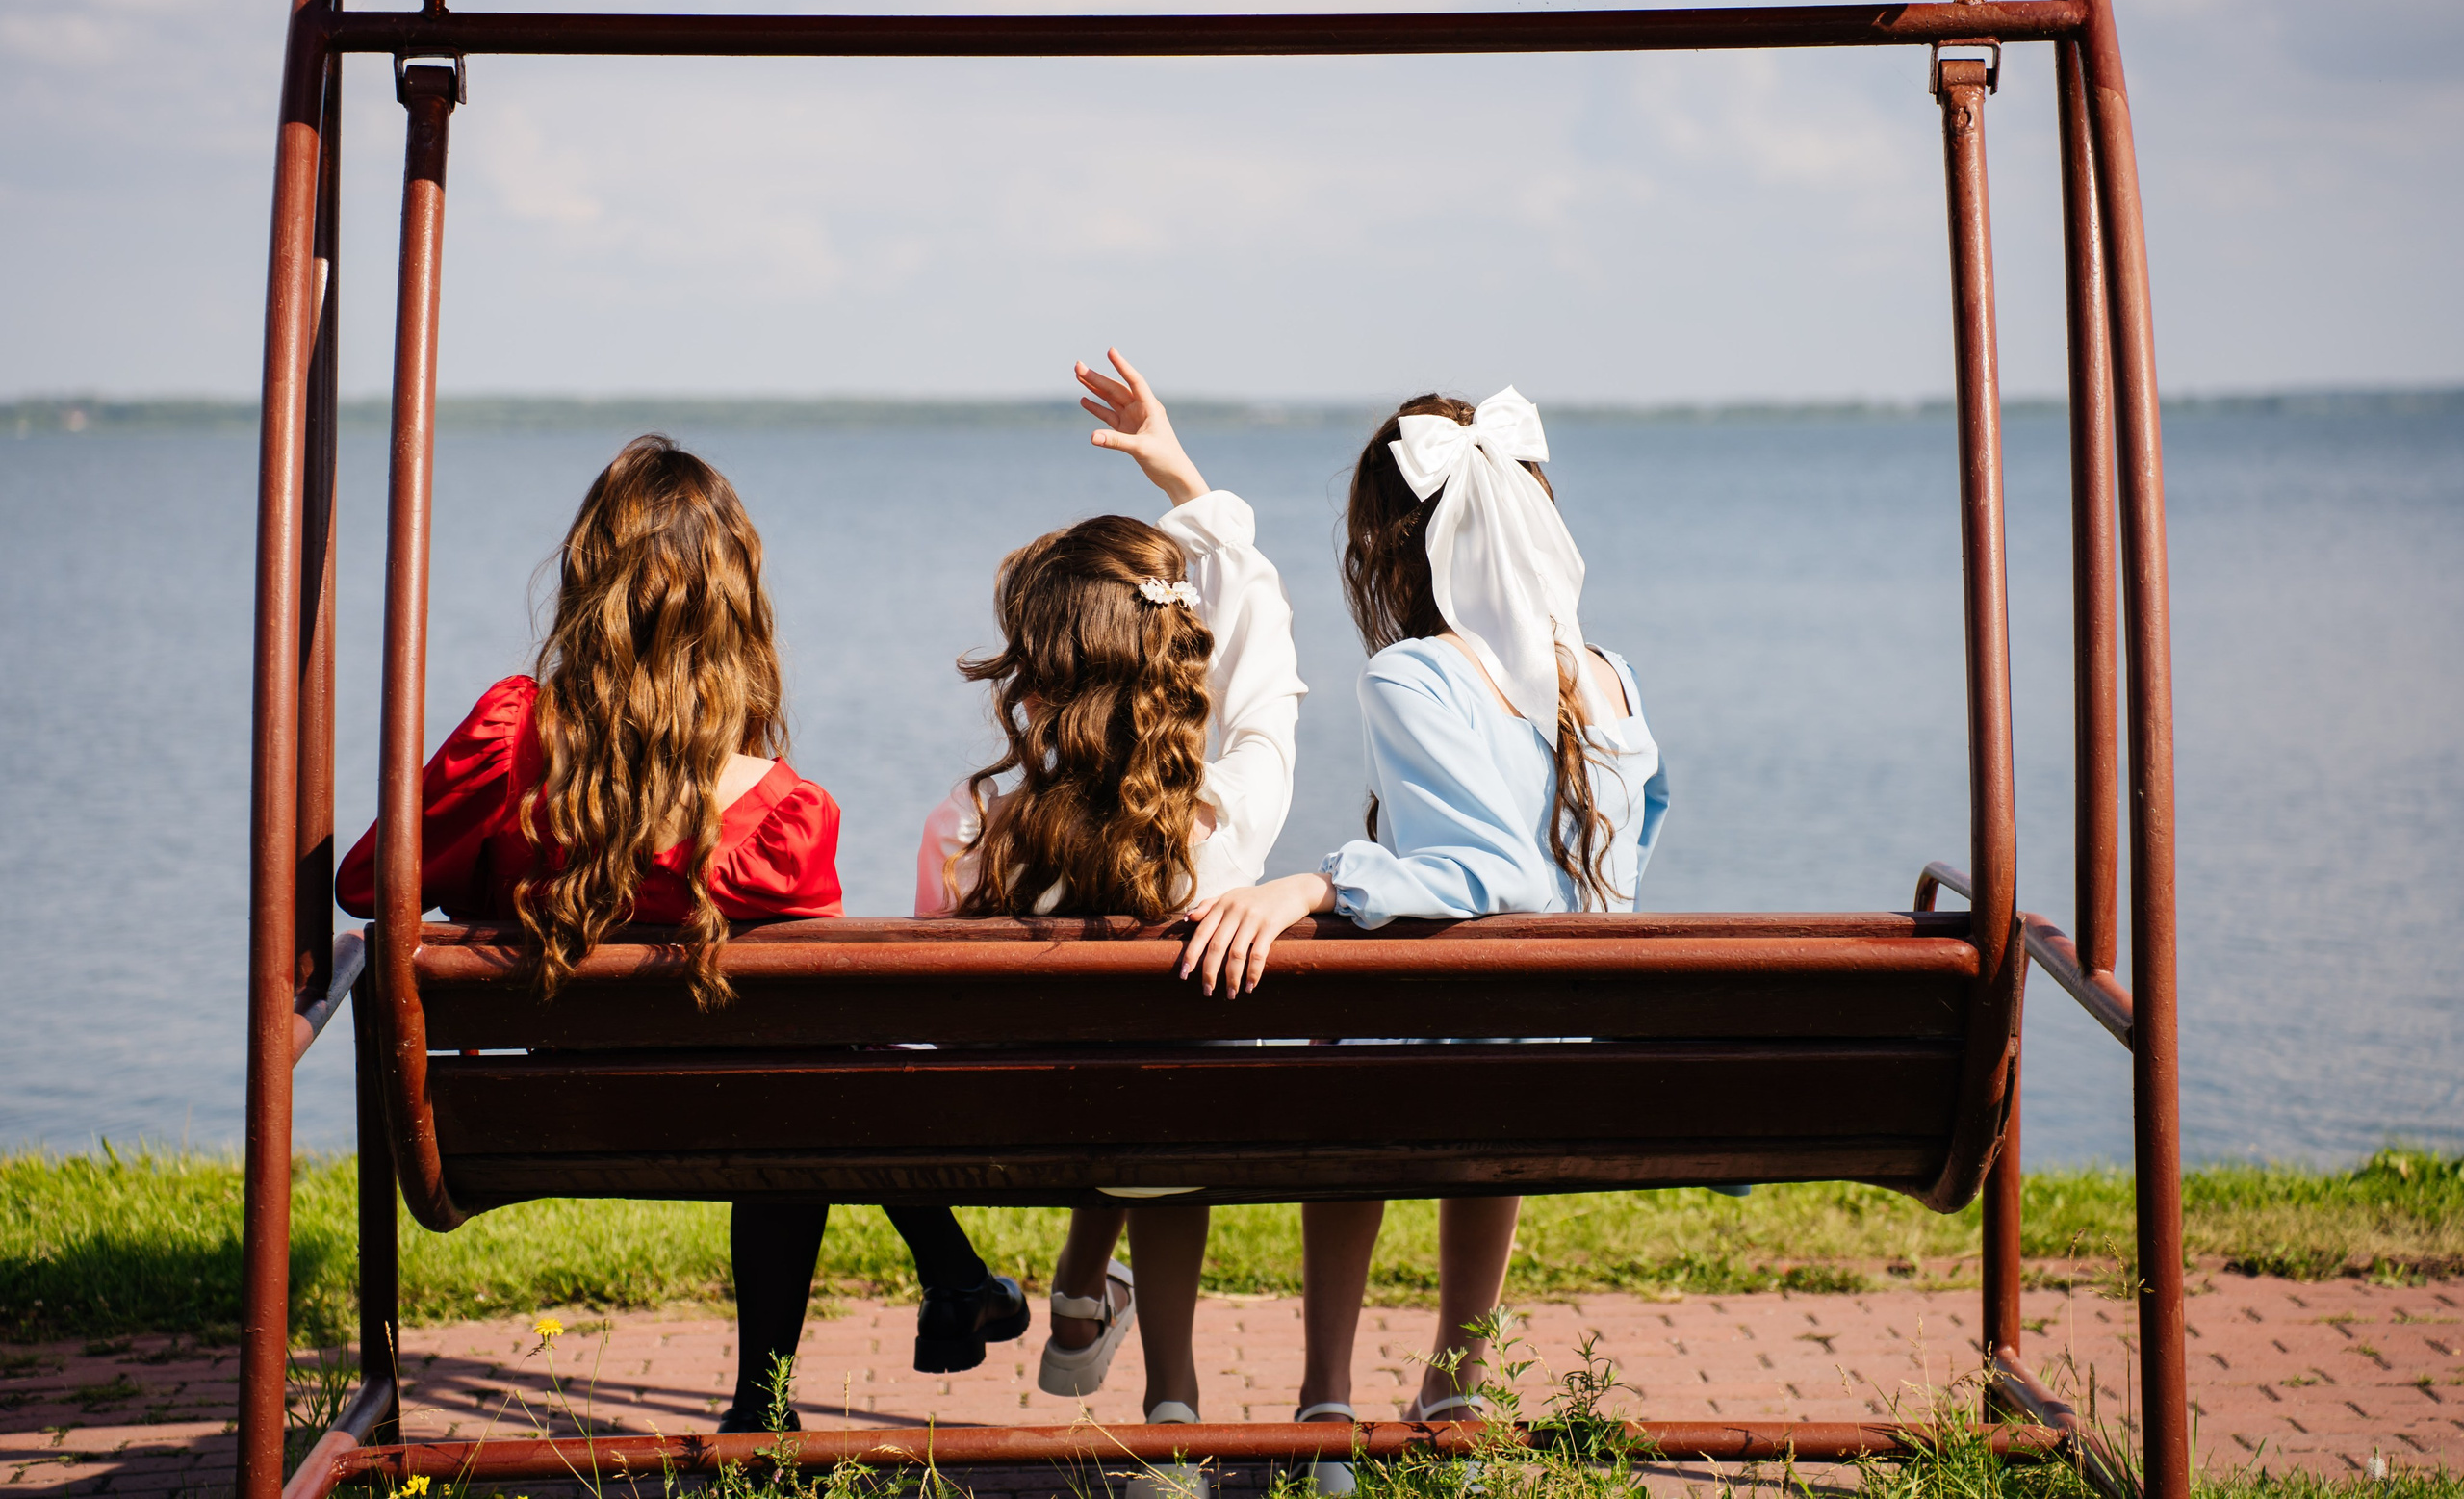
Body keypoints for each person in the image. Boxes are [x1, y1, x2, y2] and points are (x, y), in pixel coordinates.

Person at [334, 434, 1026, 1434]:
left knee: (802, 1067)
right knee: (806, 1068)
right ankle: (776, 1390)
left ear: (588, 586)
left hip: (537, 1120)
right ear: (736, 612)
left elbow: (368, 882)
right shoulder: (788, 817)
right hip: (737, 1118)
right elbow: (809, 1013)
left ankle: (947, 1282)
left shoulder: (509, 735)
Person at [1177, 388, 1669, 1477]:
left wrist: (1314, 882)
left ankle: (1323, 1403)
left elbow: (1484, 875)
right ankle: (1454, 1388)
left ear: (1392, 548)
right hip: (1565, 1065)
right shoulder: (1613, 678)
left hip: (1449, 1062)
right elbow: (1628, 844)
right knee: (1476, 1070)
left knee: (1344, 1053)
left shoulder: (1411, 673)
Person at [916, 349, 1305, 1428]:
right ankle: (1170, 1397)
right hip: (1180, 1130)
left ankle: (1089, 1292)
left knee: (1128, 1094)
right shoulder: (1222, 826)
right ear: (1179, 665)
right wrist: (1189, 487)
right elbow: (1266, 685)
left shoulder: (966, 828)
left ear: (1031, 683)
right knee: (1164, 1102)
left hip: (1016, 1133)